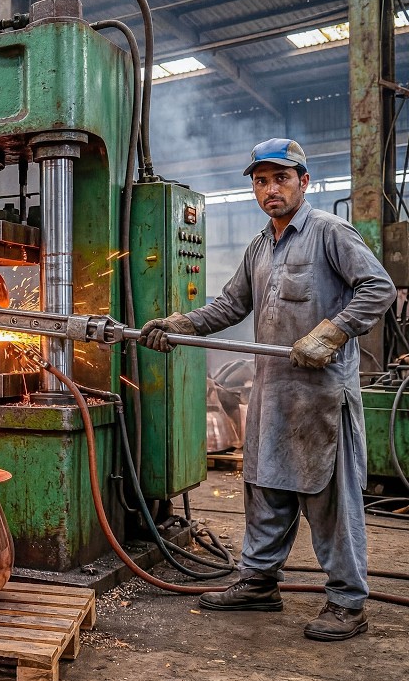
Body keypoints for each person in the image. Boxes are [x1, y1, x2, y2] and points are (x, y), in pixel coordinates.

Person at [140, 138, 396, 641]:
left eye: (280, 178)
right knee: (265, 489)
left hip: (322, 396)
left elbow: (378, 287)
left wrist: (333, 331)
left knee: (329, 500)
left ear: (304, 181)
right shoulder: (260, 245)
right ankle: (259, 582)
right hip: (274, 391)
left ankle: (348, 601)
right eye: (261, 181)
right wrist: (180, 325)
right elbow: (231, 305)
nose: (270, 189)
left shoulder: (328, 232)